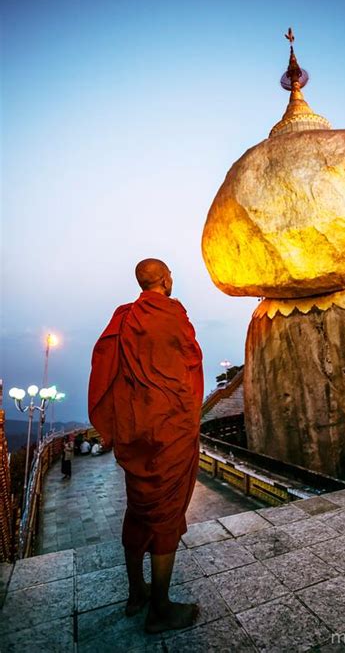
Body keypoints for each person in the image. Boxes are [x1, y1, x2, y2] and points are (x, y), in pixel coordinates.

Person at [88, 258, 203, 634]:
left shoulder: (123, 318)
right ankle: (160, 608)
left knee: (138, 509)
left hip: (136, 430)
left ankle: (136, 592)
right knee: (166, 515)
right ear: (165, 280)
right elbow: (189, 365)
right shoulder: (173, 315)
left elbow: (108, 368)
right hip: (169, 429)